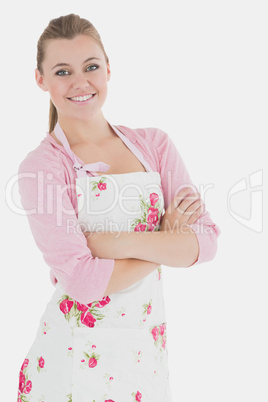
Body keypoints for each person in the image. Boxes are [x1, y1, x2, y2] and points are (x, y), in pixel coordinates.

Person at [16, 13, 220, 402]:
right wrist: (166, 240)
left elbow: (206, 242)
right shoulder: (42, 167)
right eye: (62, 71)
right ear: (41, 79)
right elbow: (80, 282)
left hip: (144, 355)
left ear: (108, 69)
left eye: (91, 66)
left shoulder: (154, 146)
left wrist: (112, 244)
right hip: (73, 360)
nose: (81, 82)